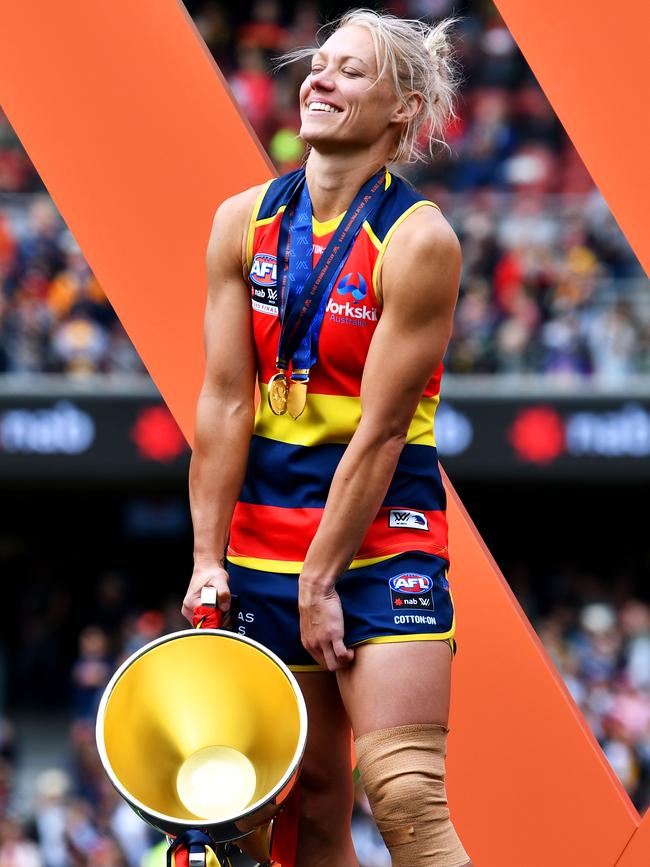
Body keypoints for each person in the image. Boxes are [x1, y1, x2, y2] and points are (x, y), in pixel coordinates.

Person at [183, 8, 472, 866]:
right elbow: (227, 402)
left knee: (407, 796)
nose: (319, 79)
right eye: (321, 64)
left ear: (402, 110)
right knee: (307, 811)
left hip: (385, 538)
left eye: (350, 71)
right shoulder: (240, 220)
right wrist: (207, 559)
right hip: (263, 542)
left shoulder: (421, 241)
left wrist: (321, 578)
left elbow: (382, 432)